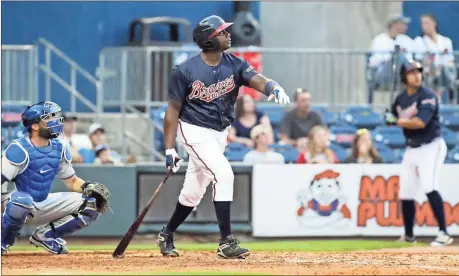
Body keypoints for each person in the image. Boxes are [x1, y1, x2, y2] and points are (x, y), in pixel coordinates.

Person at [158, 15, 290, 259]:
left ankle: (166, 233)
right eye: (222, 32)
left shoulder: (234, 64)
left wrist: (272, 86)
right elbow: (172, 111)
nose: (228, 34)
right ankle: (226, 241)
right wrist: (169, 149)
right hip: (194, 130)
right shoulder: (185, 70)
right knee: (224, 174)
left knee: (193, 191)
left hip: (220, 133)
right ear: (209, 39)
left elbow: (256, 79)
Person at [0, 101, 111, 255]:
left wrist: (88, 187)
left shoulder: (59, 148)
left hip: (43, 202)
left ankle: (45, 235)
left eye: (54, 117)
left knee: (91, 203)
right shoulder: (19, 149)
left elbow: (72, 182)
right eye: (48, 118)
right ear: (35, 126)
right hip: (12, 204)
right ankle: (3, 241)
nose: (55, 121)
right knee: (21, 201)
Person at [385, 61, 453, 246]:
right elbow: (392, 118)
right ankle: (409, 235)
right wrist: (388, 118)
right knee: (406, 191)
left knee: (428, 186)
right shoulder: (399, 99)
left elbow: (420, 122)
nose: (416, 75)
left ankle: (444, 233)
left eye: (418, 72)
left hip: (431, 145)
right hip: (412, 147)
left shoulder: (428, 96)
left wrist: (397, 121)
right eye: (411, 72)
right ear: (404, 77)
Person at [413, 14, 457, 103]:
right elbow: (420, 60)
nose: (424, 26)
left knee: (449, 72)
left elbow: (450, 60)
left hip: (444, 71)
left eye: (427, 23)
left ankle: (446, 99)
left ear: (434, 24)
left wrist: (441, 68)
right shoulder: (419, 41)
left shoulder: (446, 41)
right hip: (428, 71)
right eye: (422, 24)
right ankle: (435, 99)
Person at [369, 15, 414, 88]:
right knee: (399, 57)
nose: (406, 27)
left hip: (403, 72)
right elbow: (376, 60)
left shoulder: (407, 40)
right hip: (384, 73)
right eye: (403, 24)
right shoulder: (379, 40)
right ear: (394, 25)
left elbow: (410, 60)